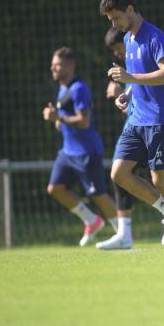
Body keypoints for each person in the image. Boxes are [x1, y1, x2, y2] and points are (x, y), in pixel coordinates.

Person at [100, 0, 164, 249]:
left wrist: (130, 79)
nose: (115, 24)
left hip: (160, 119)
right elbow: (136, 81)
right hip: (136, 121)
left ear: (130, 10)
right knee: (119, 173)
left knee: (160, 179)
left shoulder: (154, 36)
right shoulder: (129, 39)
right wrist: (128, 95)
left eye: (117, 18)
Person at [41, 47, 117, 246]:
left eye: (57, 65)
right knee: (55, 188)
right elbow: (67, 118)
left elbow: (84, 121)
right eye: (52, 65)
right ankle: (92, 220)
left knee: (99, 195)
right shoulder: (62, 88)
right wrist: (59, 121)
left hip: (86, 151)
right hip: (67, 152)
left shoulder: (79, 88)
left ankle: (124, 231)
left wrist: (60, 117)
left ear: (70, 65)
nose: (53, 68)